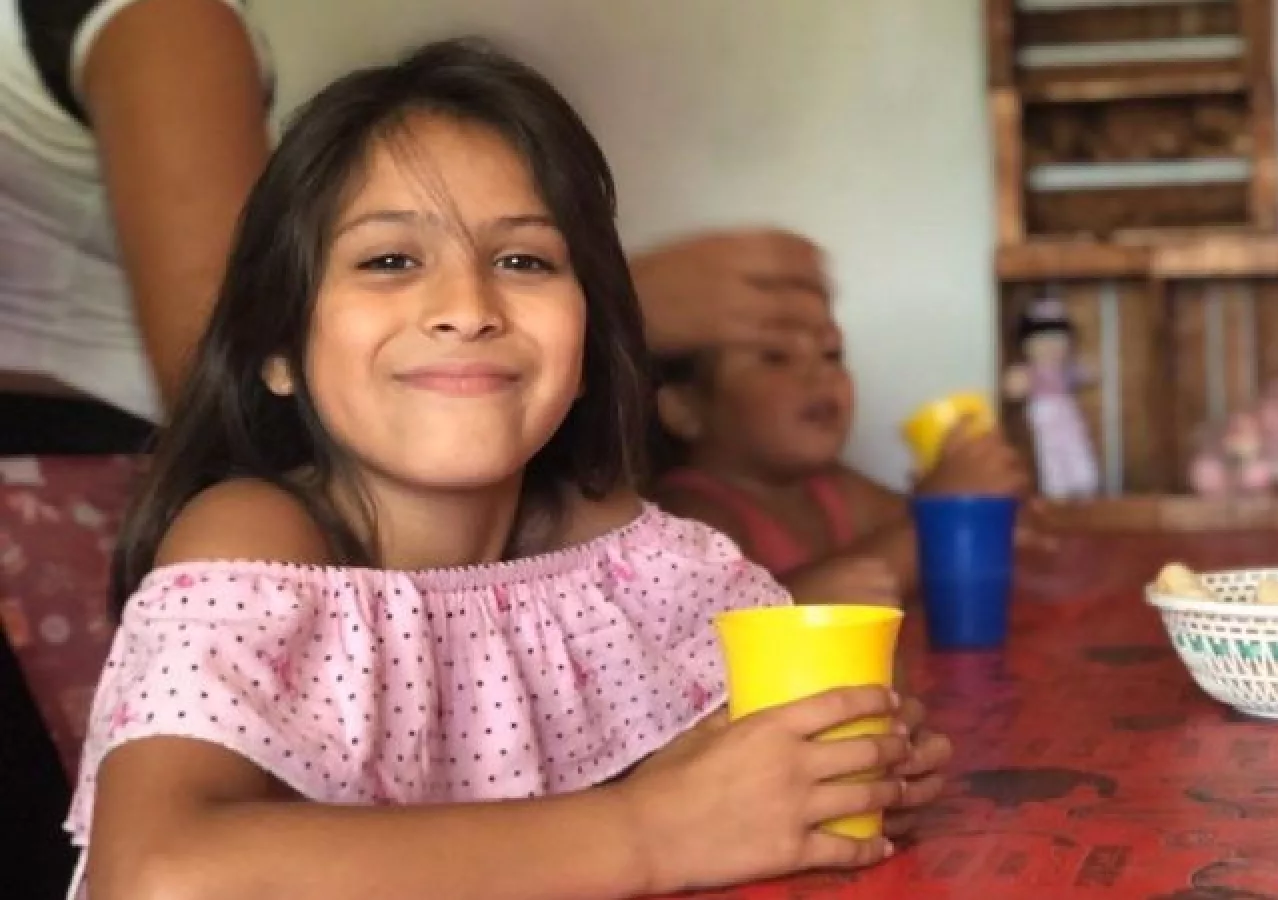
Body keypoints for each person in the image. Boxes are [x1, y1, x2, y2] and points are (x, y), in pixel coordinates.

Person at [68, 38, 950, 900]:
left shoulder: (625, 569)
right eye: (389, 260)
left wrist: (827, 774)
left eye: (523, 261)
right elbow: (158, 873)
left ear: (587, 346)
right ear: (278, 350)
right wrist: (648, 831)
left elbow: (737, 764)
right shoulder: (261, 542)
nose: (467, 308)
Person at [651, 286, 1040, 604]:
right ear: (685, 409)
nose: (820, 373)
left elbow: (916, 541)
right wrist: (942, 510)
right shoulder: (687, 513)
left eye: (832, 354)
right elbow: (718, 628)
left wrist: (984, 508)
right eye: (775, 358)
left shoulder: (834, 488)